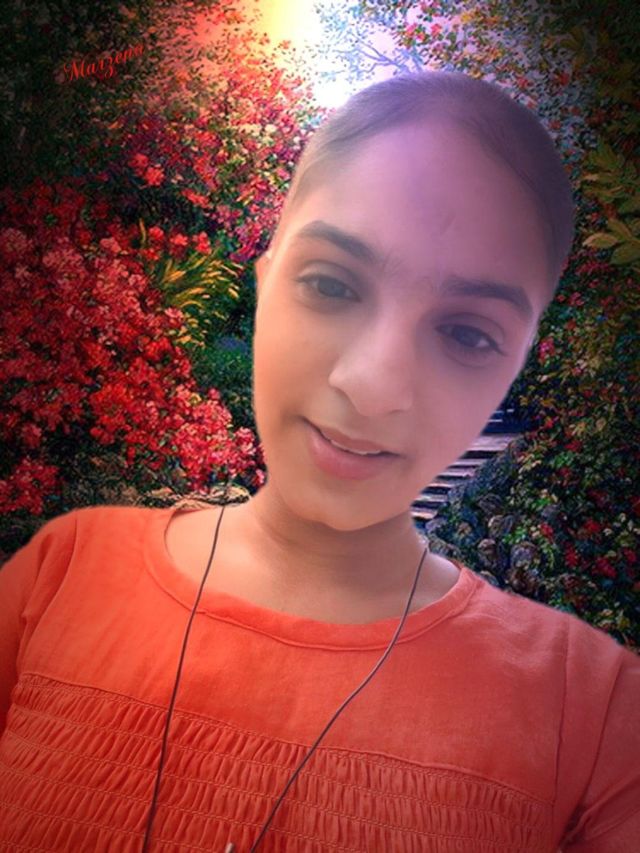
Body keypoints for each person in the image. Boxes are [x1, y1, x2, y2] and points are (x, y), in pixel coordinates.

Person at [0, 69, 638, 852]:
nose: (372, 385)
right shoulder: (64, 571)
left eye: (468, 334)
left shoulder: (586, 708)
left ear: (512, 368)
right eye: (332, 285)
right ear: (266, 279)